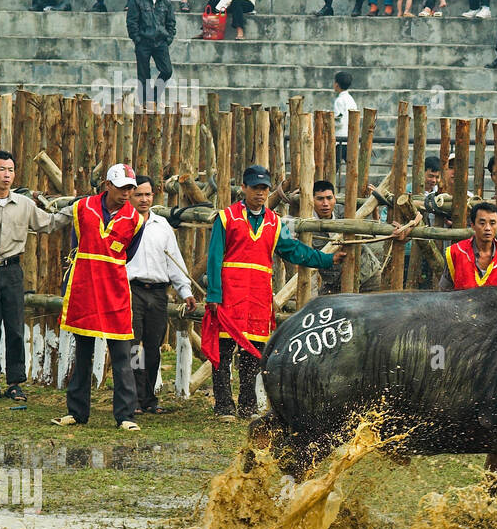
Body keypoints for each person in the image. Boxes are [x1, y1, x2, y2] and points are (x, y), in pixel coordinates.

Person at [206, 165, 343, 420]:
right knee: (224, 349)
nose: (260, 193)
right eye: (255, 188)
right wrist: (214, 294)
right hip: (230, 294)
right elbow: (214, 258)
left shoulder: (273, 222)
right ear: (244, 188)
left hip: (258, 294)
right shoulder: (226, 218)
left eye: (265, 188)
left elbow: (293, 250)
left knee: (253, 353)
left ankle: (247, 405)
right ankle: (224, 405)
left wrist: (325, 260)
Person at [0, 150, 71, 400]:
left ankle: (15, 382)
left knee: (15, 327)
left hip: (13, 272)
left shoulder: (24, 205)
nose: (7, 175)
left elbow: (48, 223)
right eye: (1, 170)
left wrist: (75, 211)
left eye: (10, 170)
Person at [49, 165, 145, 431]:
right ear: (107, 185)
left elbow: (129, 253)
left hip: (115, 292)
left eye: (131, 188)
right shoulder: (83, 209)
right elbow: (75, 244)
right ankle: (77, 412)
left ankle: (125, 416)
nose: (127, 193)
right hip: (86, 289)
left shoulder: (136, 220)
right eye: (123, 187)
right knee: (83, 352)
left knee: (122, 355)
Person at [124, 173, 194, 416]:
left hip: (158, 293)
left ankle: (149, 399)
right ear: (130, 195)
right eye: (138, 194)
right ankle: (132, 396)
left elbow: (174, 261)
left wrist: (185, 290)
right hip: (131, 291)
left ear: (154, 196)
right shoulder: (123, 224)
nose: (143, 199)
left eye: (147, 194)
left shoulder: (162, 225)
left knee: (154, 347)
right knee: (134, 347)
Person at [311, 180, 385, 295]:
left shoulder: (346, 212)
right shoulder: (307, 222)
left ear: (335, 198)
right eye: (320, 199)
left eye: (329, 198)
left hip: (368, 274)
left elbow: (371, 230)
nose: (325, 203)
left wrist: (374, 205)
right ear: (312, 200)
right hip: (335, 283)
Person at [439, 200, 497, 290]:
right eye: (482, 223)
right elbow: (444, 294)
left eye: (492, 223)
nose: (487, 228)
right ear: (472, 225)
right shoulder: (456, 253)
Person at [127, 0, 176, 109]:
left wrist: (168, 38)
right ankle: (144, 104)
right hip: (143, 41)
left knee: (167, 71)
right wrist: (137, 38)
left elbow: (171, 22)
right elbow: (132, 22)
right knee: (143, 75)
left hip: (161, 41)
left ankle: (153, 98)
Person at [332, 71, 354, 173]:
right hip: (349, 139)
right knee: (352, 168)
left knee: (332, 168)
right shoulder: (351, 99)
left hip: (339, 139)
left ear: (336, 84)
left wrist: (330, 121)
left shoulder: (339, 101)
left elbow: (339, 121)